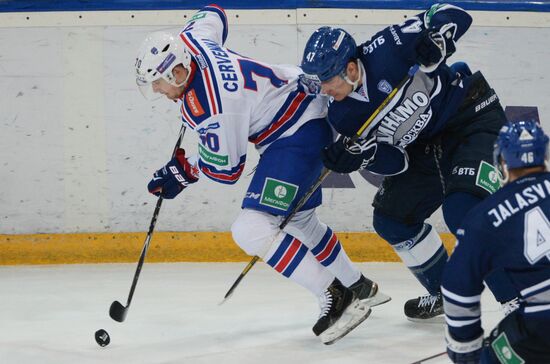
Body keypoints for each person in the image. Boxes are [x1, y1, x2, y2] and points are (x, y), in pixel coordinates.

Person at [134, 4, 390, 344]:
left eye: (159, 84)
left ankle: (338, 297)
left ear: (177, 73)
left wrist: (185, 170)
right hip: (301, 107)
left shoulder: (216, 105)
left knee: (251, 228)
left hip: (298, 132)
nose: (158, 91)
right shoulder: (192, 39)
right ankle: (360, 285)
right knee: (300, 221)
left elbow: (228, 170)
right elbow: (214, 12)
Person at [300, 3, 507, 320]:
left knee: (462, 210)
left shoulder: (391, 46)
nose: (324, 89)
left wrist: (439, 38)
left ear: (351, 68)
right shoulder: (343, 116)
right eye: (319, 82)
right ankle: (447, 293)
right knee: (391, 219)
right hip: (426, 147)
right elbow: (398, 163)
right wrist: (364, 155)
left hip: (470, 118)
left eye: (328, 80)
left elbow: (453, 11)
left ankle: (521, 301)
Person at [441, 120, 550, 364]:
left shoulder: (485, 214)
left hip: (541, 328)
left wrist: (465, 346)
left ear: (502, 162)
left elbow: (457, 287)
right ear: (545, 154)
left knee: (491, 357)